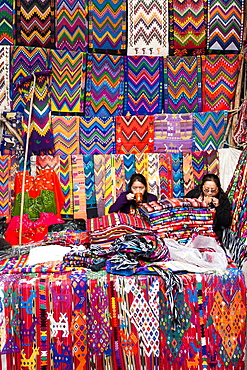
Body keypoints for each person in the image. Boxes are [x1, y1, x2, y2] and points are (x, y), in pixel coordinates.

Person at [185, 174, 231, 241]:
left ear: (218, 189)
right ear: (202, 187)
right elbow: (183, 211)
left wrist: (218, 207)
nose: (209, 193)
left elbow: (226, 222)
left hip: (213, 235)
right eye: (206, 190)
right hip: (192, 232)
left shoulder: (222, 199)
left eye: (213, 191)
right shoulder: (193, 195)